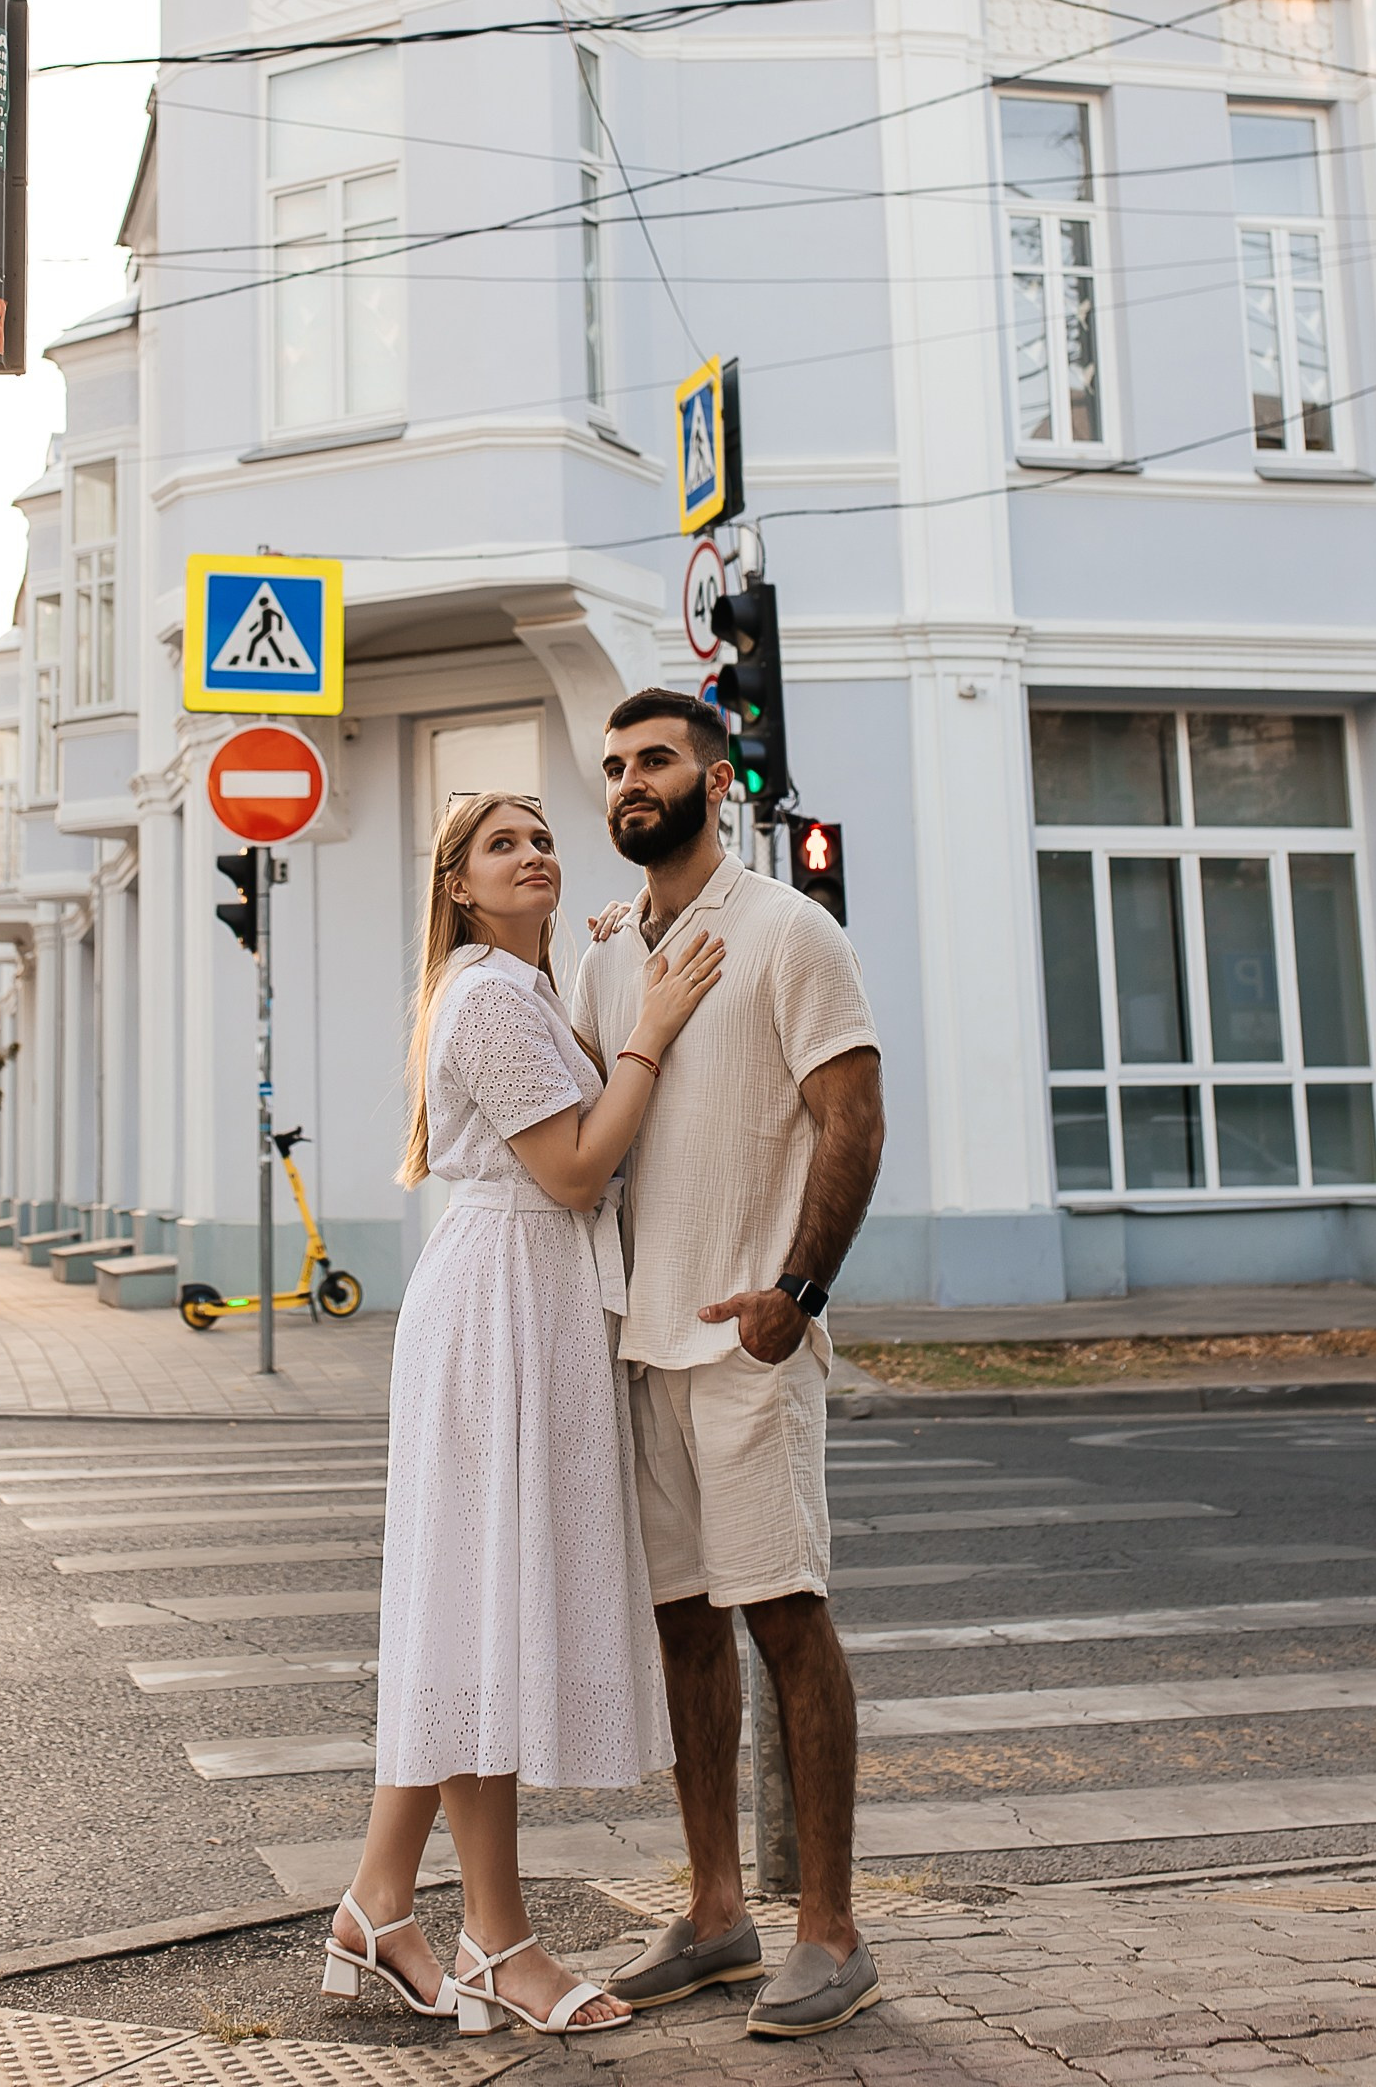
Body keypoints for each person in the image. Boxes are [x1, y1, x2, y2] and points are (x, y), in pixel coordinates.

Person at [323, 788, 723, 2038]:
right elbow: (568, 1168)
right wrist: (651, 1028)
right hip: (501, 1303)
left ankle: (378, 1905)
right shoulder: (490, 998)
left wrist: (614, 971)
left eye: (543, 837)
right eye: (502, 844)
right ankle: (498, 1942)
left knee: (463, 1608)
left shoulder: (527, 990)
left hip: (525, 1303)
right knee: (482, 1615)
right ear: (457, 887)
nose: (534, 853)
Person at [572, 690, 887, 2042]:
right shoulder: (606, 958)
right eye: (613, 768)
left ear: (714, 780)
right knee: (684, 1630)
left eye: (653, 762)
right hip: (645, 1349)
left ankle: (830, 1931)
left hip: (751, 1350)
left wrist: (796, 1296)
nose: (629, 784)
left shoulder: (790, 934)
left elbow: (853, 1121)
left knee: (785, 1618)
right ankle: (714, 1913)